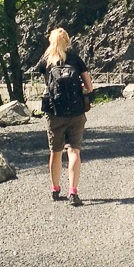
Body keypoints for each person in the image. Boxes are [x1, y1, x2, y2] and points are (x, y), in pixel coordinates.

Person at [37, 27, 93, 206]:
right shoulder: (75, 58)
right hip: (76, 112)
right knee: (74, 150)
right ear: (68, 41)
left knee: (55, 151)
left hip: (55, 113)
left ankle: (55, 189)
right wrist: (79, 91)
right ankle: (73, 191)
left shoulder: (46, 60)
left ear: (51, 42)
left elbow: (44, 81)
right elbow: (89, 86)